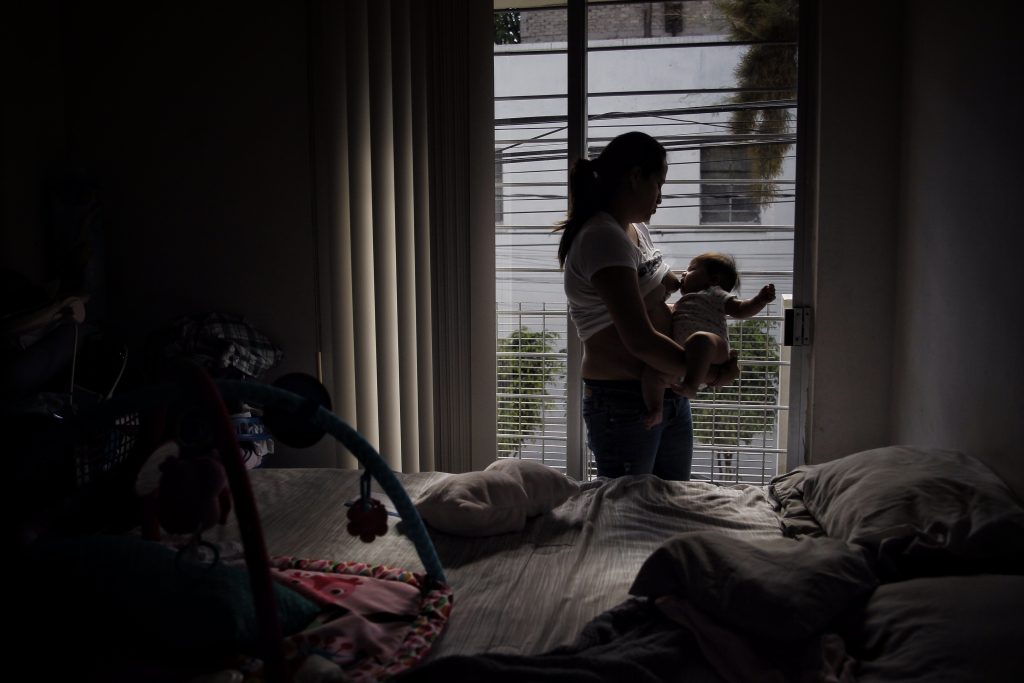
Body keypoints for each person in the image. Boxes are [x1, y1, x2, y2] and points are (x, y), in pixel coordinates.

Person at [557, 131, 739, 480]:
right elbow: (639, 339)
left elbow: (658, 288)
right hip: (624, 399)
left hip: (666, 389)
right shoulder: (601, 237)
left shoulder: (635, 230)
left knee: (671, 500)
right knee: (629, 507)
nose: (661, 197)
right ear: (635, 177)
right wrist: (710, 375)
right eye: (659, 184)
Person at [640, 252, 776, 428]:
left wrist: (759, 300)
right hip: (685, 357)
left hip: (714, 349)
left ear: (713, 280)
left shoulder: (714, 293)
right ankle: (656, 409)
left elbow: (741, 310)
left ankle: (691, 385)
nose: (684, 273)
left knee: (701, 339)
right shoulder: (681, 303)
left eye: (691, 270)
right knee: (653, 374)